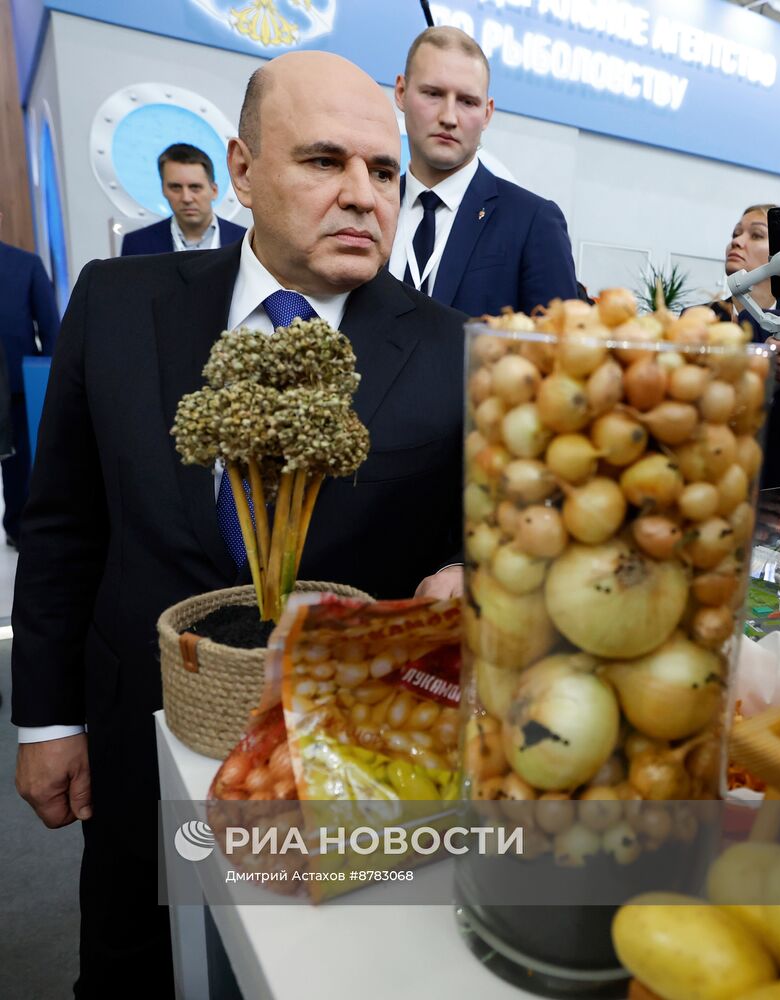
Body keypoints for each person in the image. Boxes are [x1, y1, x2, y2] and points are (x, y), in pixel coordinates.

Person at [12, 51, 464, 997]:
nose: (362, 195)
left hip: (342, 783)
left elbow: (487, 535)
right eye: (324, 161)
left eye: (383, 172)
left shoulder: (454, 350)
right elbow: (63, 528)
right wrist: (47, 720)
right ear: (244, 170)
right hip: (141, 750)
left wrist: (472, 568)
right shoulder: (117, 302)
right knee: (133, 967)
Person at [389, 25, 577, 315]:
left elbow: (556, 352)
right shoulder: (374, 206)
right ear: (401, 92)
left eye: (467, 101)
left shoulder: (532, 222)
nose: (449, 117)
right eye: (433, 94)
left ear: (487, 113)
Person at [707, 203, 780, 488]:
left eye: (756, 235)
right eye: (736, 233)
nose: (736, 241)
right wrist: (761, 367)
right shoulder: (698, 321)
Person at [0, 212, 59, 546]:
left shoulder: (26, 264)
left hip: (18, 383)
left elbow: (50, 326)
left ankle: (19, 525)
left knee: (21, 463)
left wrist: (49, 378)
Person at [120, 143, 246, 255]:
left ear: (214, 191)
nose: (186, 198)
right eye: (175, 187)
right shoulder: (137, 245)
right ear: (163, 190)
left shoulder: (246, 241)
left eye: (195, 187)